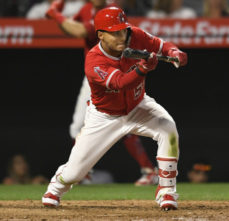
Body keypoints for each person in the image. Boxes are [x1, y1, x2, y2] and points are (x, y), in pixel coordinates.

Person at [42, 6, 187, 210]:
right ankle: (56, 187)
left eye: (123, 30)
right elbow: (120, 83)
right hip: (105, 117)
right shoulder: (94, 60)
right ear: (100, 35)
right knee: (74, 173)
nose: (122, 36)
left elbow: (161, 45)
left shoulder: (134, 35)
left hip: (138, 106)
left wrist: (174, 52)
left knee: (168, 129)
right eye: (115, 32)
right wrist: (143, 68)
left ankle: (167, 191)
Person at [45, 0, 158, 186]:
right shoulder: (86, 9)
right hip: (97, 74)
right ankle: (87, 172)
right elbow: (70, 28)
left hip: (111, 70)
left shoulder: (109, 11)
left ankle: (85, 173)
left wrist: (55, 14)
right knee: (86, 126)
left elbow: (80, 31)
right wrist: (58, 16)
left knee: (118, 120)